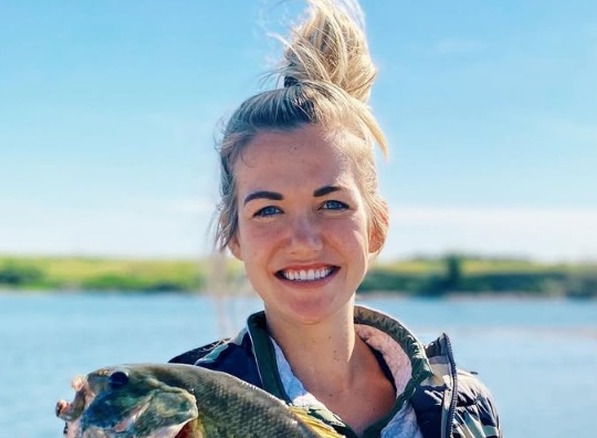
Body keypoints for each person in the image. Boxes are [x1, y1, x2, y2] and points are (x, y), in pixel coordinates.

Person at [171, 1, 502, 436]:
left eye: (332, 204)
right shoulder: (182, 407)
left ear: (376, 225)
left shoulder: (463, 404)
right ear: (234, 235)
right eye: (268, 210)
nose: (303, 240)